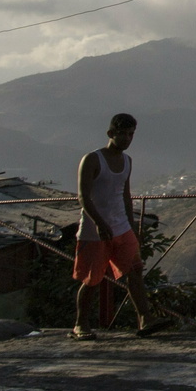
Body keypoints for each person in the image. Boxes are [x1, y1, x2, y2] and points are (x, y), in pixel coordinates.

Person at [72, 113, 171, 340]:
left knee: (134, 271)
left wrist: (132, 225)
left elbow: (125, 196)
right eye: (123, 134)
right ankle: (81, 324)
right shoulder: (92, 160)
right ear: (110, 134)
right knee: (92, 279)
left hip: (121, 227)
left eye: (131, 134)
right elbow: (83, 197)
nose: (127, 139)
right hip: (94, 230)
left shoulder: (127, 161)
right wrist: (99, 222)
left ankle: (145, 319)